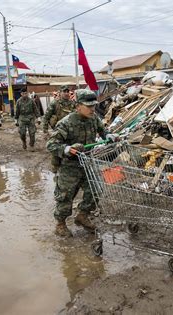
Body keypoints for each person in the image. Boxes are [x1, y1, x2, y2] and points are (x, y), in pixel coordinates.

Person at [47, 89, 118, 237]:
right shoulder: (65, 123)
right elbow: (51, 145)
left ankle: (82, 216)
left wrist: (108, 135)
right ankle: (60, 224)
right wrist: (67, 149)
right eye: (89, 106)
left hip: (87, 163)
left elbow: (102, 131)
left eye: (94, 106)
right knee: (65, 196)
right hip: (70, 166)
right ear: (78, 106)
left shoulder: (94, 118)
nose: (93, 109)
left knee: (95, 190)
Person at [42, 85, 77, 173]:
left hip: (71, 131)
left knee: (70, 150)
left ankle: (69, 169)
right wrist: (45, 131)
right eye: (64, 92)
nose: (66, 93)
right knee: (56, 150)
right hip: (58, 132)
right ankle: (55, 168)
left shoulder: (72, 103)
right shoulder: (54, 103)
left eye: (67, 91)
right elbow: (46, 117)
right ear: (60, 93)